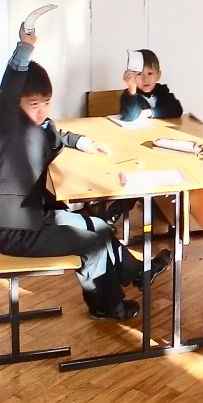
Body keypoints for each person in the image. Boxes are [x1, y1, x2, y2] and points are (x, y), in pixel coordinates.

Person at [0, 26, 172, 321]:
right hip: (14, 231)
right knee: (94, 243)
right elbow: (8, 92)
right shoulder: (8, 127)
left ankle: (137, 273)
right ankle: (106, 306)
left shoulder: (37, 126)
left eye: (46, 103)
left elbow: (55, 133)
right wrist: (25, 47)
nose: (42, 112)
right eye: (33, 104)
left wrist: (82, 142)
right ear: (15, 104)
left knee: (99, 227)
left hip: (33, 216)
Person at [120, 50, 183, 122]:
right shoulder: (129, 94)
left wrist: (150, 112)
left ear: (158, 75)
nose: (145, 79)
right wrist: (132, 90)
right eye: (139, 74)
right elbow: (131, 116)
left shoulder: (161, 90)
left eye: (150, 73)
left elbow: (177, 109)